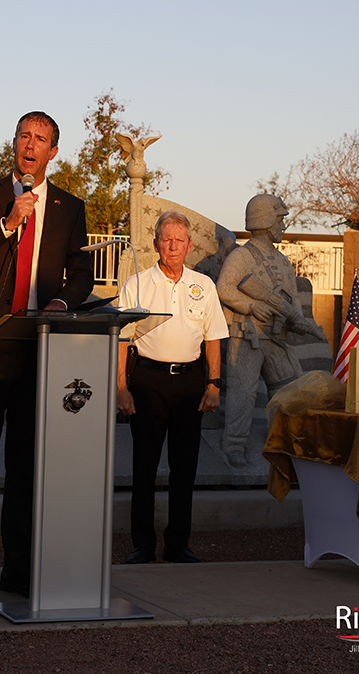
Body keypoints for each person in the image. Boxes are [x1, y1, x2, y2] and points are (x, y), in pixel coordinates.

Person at [0, 111, 94, 601]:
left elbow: (80, 275)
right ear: (14, 145)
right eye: (24, 136)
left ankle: (20, 572)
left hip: (38, 348)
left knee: (27, 468)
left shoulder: (71, 209)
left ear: (54, 152)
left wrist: (61, 304)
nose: (30, 145)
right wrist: (8, 223)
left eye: (41, 139)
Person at [117, 211, 228, 564]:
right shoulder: (136, 284)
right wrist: (121, 386)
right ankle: (143, 546)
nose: (173, 246)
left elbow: (213, 338)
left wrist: (213, 384)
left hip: (191, 384)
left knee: (184, 467)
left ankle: (178, 543)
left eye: (180, 240)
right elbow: (122, 339)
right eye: (167, 240)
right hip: (148, 382)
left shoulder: (204, 286)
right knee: (145, 467)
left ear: (190, 245)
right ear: (156, 244)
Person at [215, 194, 325, 468]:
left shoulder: (284, 262)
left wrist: (297, 321)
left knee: (290, 392)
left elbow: (293, 304)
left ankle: (285, 441)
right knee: (243, 393)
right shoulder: (242, 256)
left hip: (277, 337)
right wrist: (252, 305)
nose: (283, 226)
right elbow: (224, 288)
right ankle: (235, 445)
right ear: (264, 221)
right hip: (248, 338)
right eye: (279, 220)